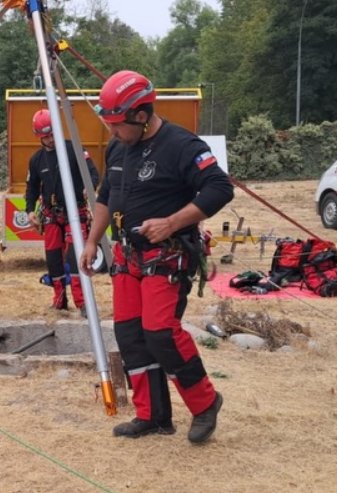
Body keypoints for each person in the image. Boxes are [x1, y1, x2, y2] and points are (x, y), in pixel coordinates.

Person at [80, 70, 233, 443]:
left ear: (141, 115)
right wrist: (92, 241)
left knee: (161, 332)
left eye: (118, 124)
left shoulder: (182, 145)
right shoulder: (118, 146)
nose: (113, 131)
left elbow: (220, 188)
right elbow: (106, 196)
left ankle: (205, 403)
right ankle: (152, 415)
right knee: (130, 334)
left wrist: (171, 222)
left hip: (166, 257)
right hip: (127, 256)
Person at [25, 108, 99, 316]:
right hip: (51, 215)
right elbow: (32, 188)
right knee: (53, 259)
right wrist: (30, 210)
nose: (50, 139)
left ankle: (83, 303)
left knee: (76, 258)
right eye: (45, 137)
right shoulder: (37, 160)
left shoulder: (74, 149)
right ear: (38, 136)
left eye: (52, 134)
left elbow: (92, 173)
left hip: (75, 211)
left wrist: (89, 187)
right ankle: (59, 300)